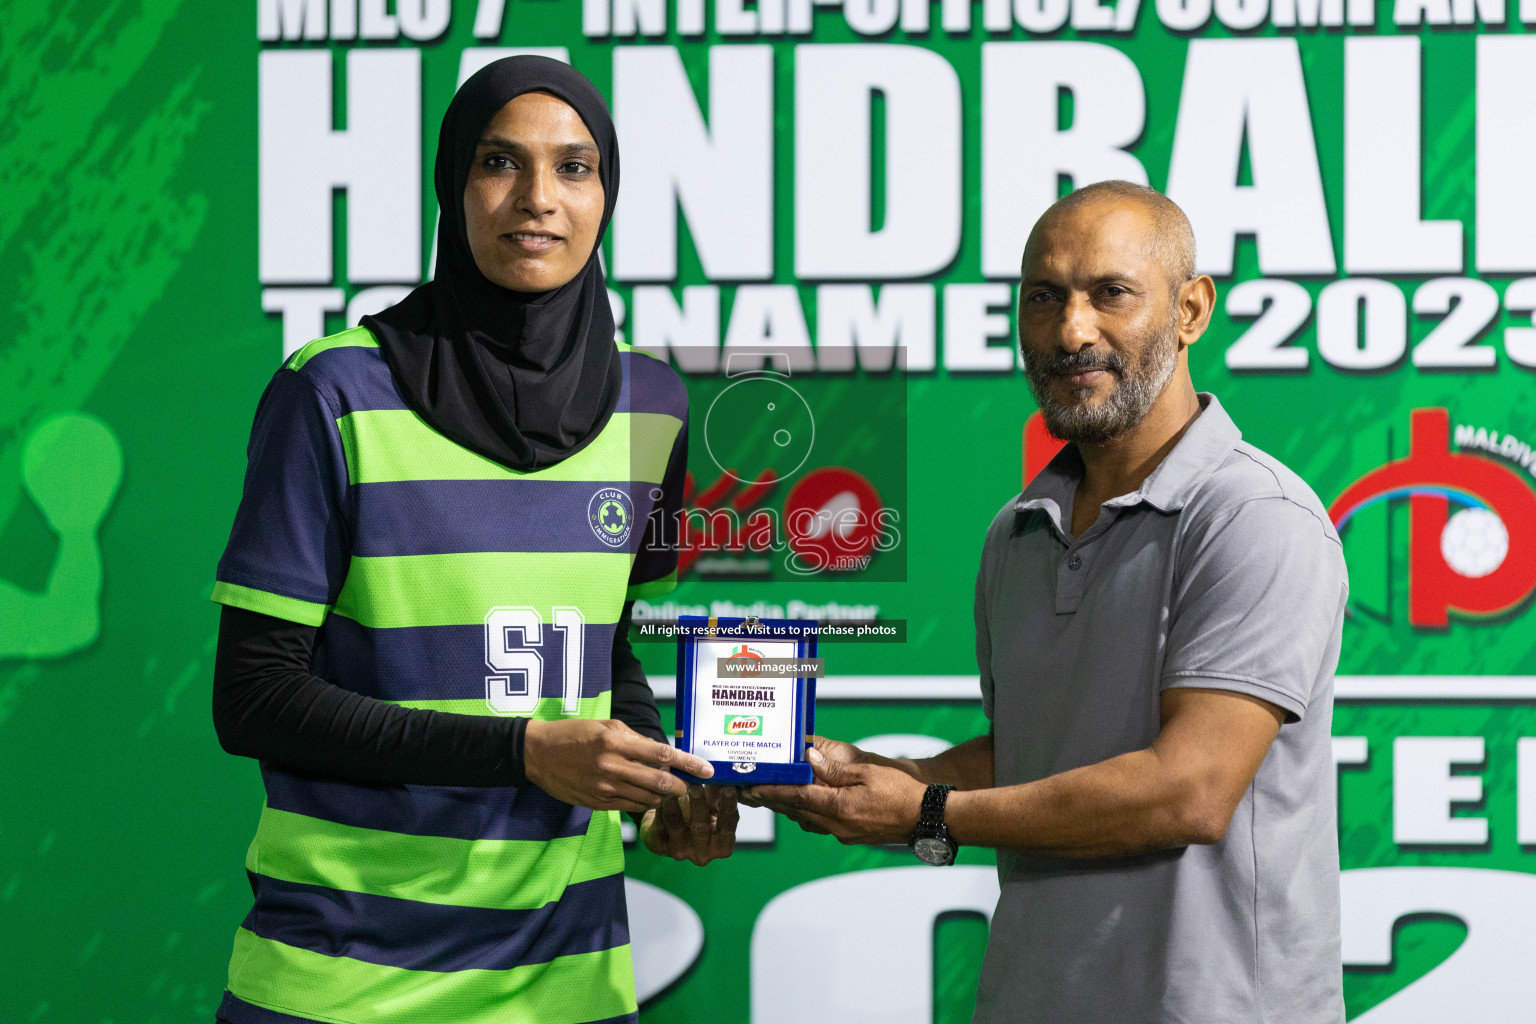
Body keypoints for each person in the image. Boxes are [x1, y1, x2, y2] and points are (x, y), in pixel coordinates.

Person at [210, 56, 736, 1024]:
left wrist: (655, 779)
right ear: (453, 186)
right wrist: (523, 752)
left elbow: (599, 647)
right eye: (501, 161)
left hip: (565, 978)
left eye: (576, 168)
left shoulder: (651, 400)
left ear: (608, 196)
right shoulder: (329, 391)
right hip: (342, 976)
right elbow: (253, 700)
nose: (538, 199)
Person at [749, 181, 1348, 1024]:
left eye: (1112, 293)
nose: (1073, 331)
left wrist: (928, 810)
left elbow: (1190, 789)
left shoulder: (1256, 518)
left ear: (1190, 310)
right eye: (1045, 297)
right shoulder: (1018, 533)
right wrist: (877, 782)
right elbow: (1043, 757)